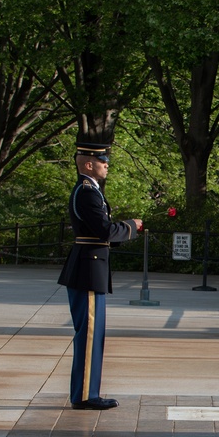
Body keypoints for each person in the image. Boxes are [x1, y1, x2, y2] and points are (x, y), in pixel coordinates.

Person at [58, 142, 143, 410]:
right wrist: (131, 226)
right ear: (87, 165)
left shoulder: (91, 191)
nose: (106, 164)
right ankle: (85, 396)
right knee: (90, 334)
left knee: (91, 334)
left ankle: (86, 392)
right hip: (88, 270)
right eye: (102, 161)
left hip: (90, 267)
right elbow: (104, 231)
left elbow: (99, 232)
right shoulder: (86, 193)